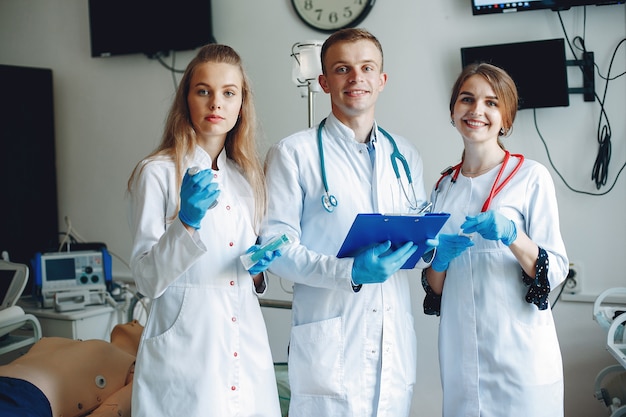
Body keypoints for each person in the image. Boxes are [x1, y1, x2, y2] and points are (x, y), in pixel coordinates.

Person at [262, 28, 430, 416]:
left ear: (382, 80)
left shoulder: (404, 154)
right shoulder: (293, 154)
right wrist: (349, 271)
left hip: (392, 345)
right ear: (324, 82)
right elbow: (276, 249)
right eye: (342, 69)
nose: (356, 78)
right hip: (330, 345)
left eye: (367, 67)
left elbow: (414, 236)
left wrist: (432, 247)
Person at [127, 44, 282, 417]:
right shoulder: (158, 173)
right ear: (187, 99)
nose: (216, 103)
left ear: (241, 104)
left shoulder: (248, 180)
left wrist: (258, 271)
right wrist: (187, 222)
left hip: (245, 345)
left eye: (229, 93)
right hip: (185, 352)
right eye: (204, 91)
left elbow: (243, 273)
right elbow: (147, 280)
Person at [422, 62, 569, 417]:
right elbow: (434, 288)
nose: (477, 111)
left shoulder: (531, 176)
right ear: (453, 111)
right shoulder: (443, 186)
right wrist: (439, 261)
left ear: (506, 118)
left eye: (491, 103)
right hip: (460, 352)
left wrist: (512, 235)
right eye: (467, 99)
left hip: (519, 353)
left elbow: (556, 270)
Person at [0, 320, 143, 417]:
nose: (135, 321)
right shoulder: (76, 343)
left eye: (144, 324)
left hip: (24, 398)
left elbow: (108, 412)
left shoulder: (137, 373)